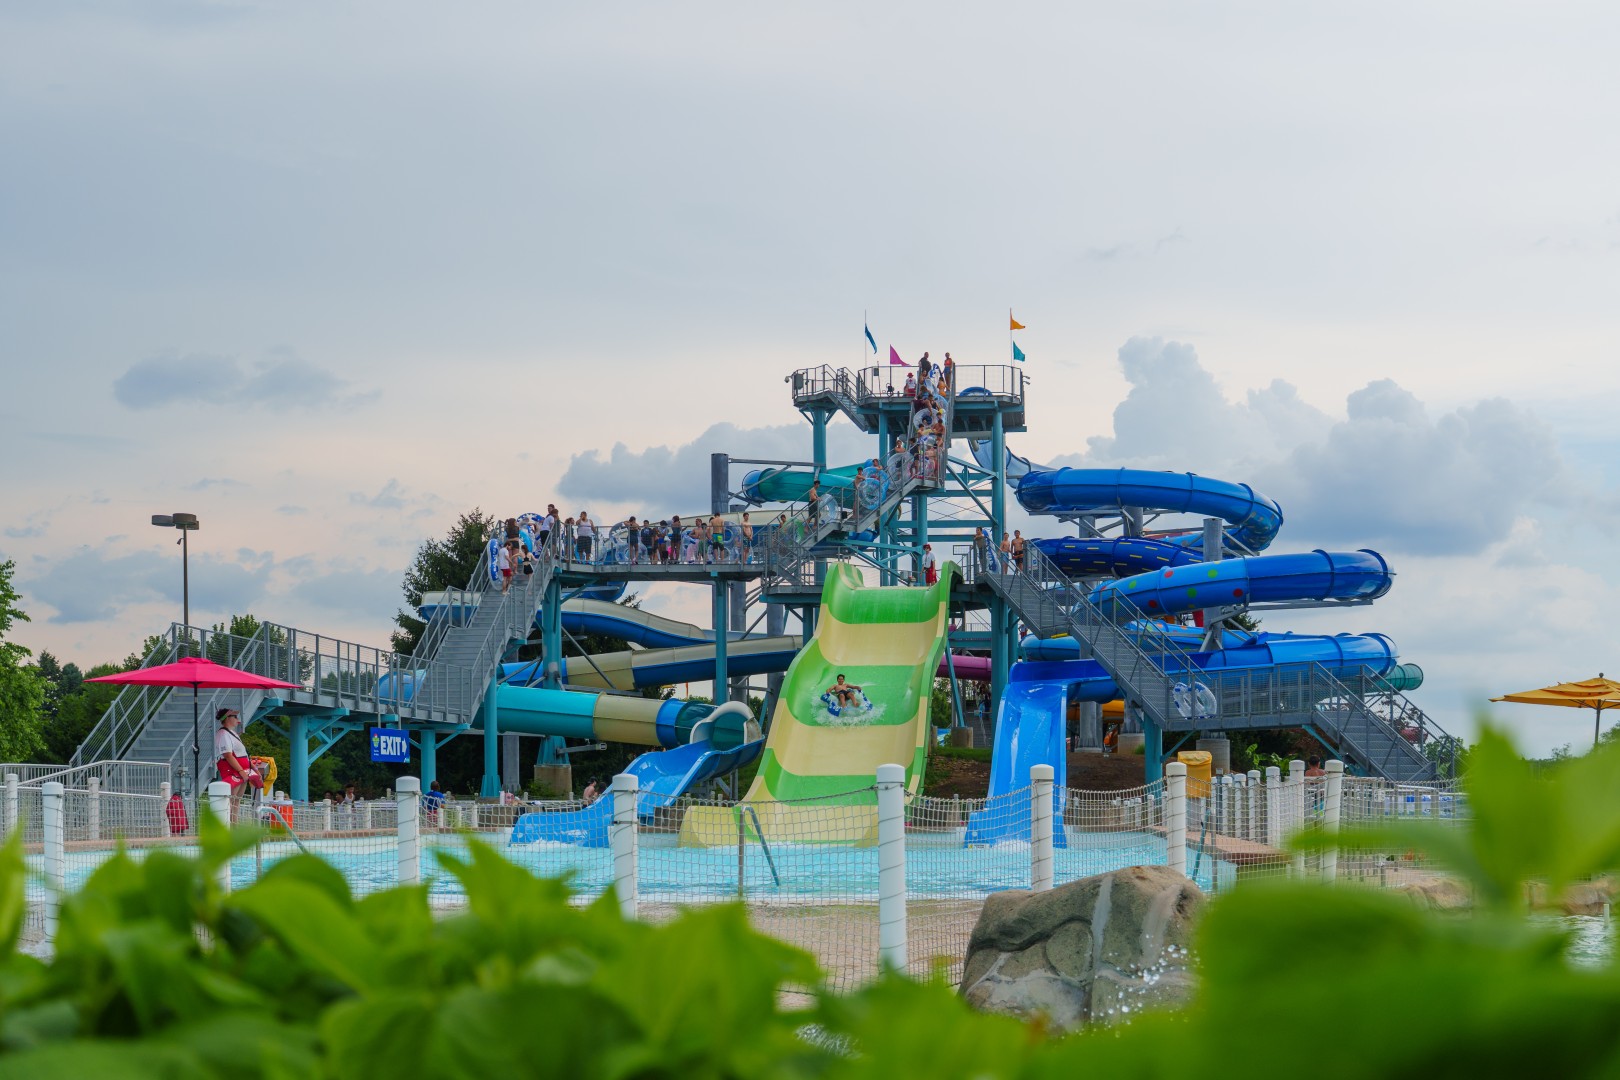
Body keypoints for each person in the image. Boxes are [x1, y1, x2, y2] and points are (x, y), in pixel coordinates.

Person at [214, 708, 258, 819]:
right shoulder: (223, 734)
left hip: (242, 770)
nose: (237, 720)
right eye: (235, 717)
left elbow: (243, 754)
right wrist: (241, 771)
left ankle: (234, 824)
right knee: (231, 800)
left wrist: (253, 768)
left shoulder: (232, 733)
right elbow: (228, 755)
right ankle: (228, 825)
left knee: (237, 800)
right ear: (227, 718)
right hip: (234, 770)